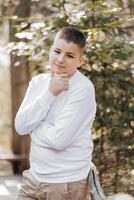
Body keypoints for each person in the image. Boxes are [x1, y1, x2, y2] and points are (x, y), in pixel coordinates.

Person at [15, 27, 96, 200]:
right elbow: (21, 126)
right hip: (33, 178)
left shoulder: (83, 88)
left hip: (66, 183)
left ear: (80, 60)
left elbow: (58, 140)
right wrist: (50, 93)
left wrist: (34, 126)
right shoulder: (38, 82)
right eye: (57, 51)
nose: (60, 59)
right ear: (50, 50)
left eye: (70, 55)